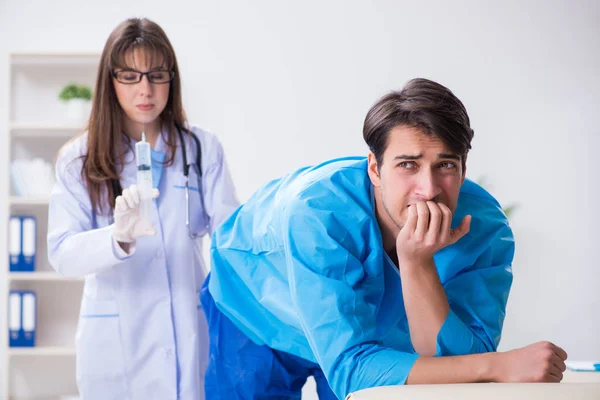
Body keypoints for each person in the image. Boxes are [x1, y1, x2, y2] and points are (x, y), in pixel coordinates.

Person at [200, 78, 567, 399]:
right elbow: (351, 371)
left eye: (446, 165)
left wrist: (416, 263)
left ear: (463, 169)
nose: (428, 189)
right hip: (255, 309)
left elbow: (458, 368)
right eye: (408, 164)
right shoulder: (317, 215)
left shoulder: (484, 227)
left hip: (365, 337)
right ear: (375, 169)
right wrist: (497, 366)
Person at [47, 18, 238, 400]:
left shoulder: (201, 148)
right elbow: (62, 254)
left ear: (172, 77)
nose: (146, 90)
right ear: (110, 80)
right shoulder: (78, 159)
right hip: (116, 342)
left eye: (156, 75)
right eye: (130, 76)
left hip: (190, 330)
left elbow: (232, 236)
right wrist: (115, 238)